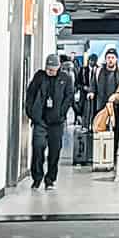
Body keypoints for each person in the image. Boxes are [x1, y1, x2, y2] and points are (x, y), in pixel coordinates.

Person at [24, 53, 76, 190]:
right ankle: (37, 178)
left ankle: (50, 179)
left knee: (54, 151)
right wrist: (31, 112)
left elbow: (69, 96)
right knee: (38, 148)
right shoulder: (39, 77)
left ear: (59, 67)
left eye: (53, 69)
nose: (50, 72)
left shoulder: (65, 78)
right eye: (48, 69)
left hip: (56, 122)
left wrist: (61, 113)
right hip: (40, 120)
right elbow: (30, 94)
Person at [92, 49, 119, 163]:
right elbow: (93, 85)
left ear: (116, 59)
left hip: (116, 107)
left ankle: (113, 153)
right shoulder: (99, 71)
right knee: (101, 129)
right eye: (108, 57)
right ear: (105, 59)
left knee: (116, 130)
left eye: (112, 57)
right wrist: (91, 93)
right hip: (101, 107)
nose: (110, 60)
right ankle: (100, 154)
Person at [74, 53, 100, 166]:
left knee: (95, 116)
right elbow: (78, 83)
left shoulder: (99, 71)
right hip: (85, 97)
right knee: (85, 114)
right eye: (91, 61)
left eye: (94, 61)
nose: (92, 63)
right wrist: (85, 88)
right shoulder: (83, 70)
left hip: (96, 99)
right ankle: (84, 129)